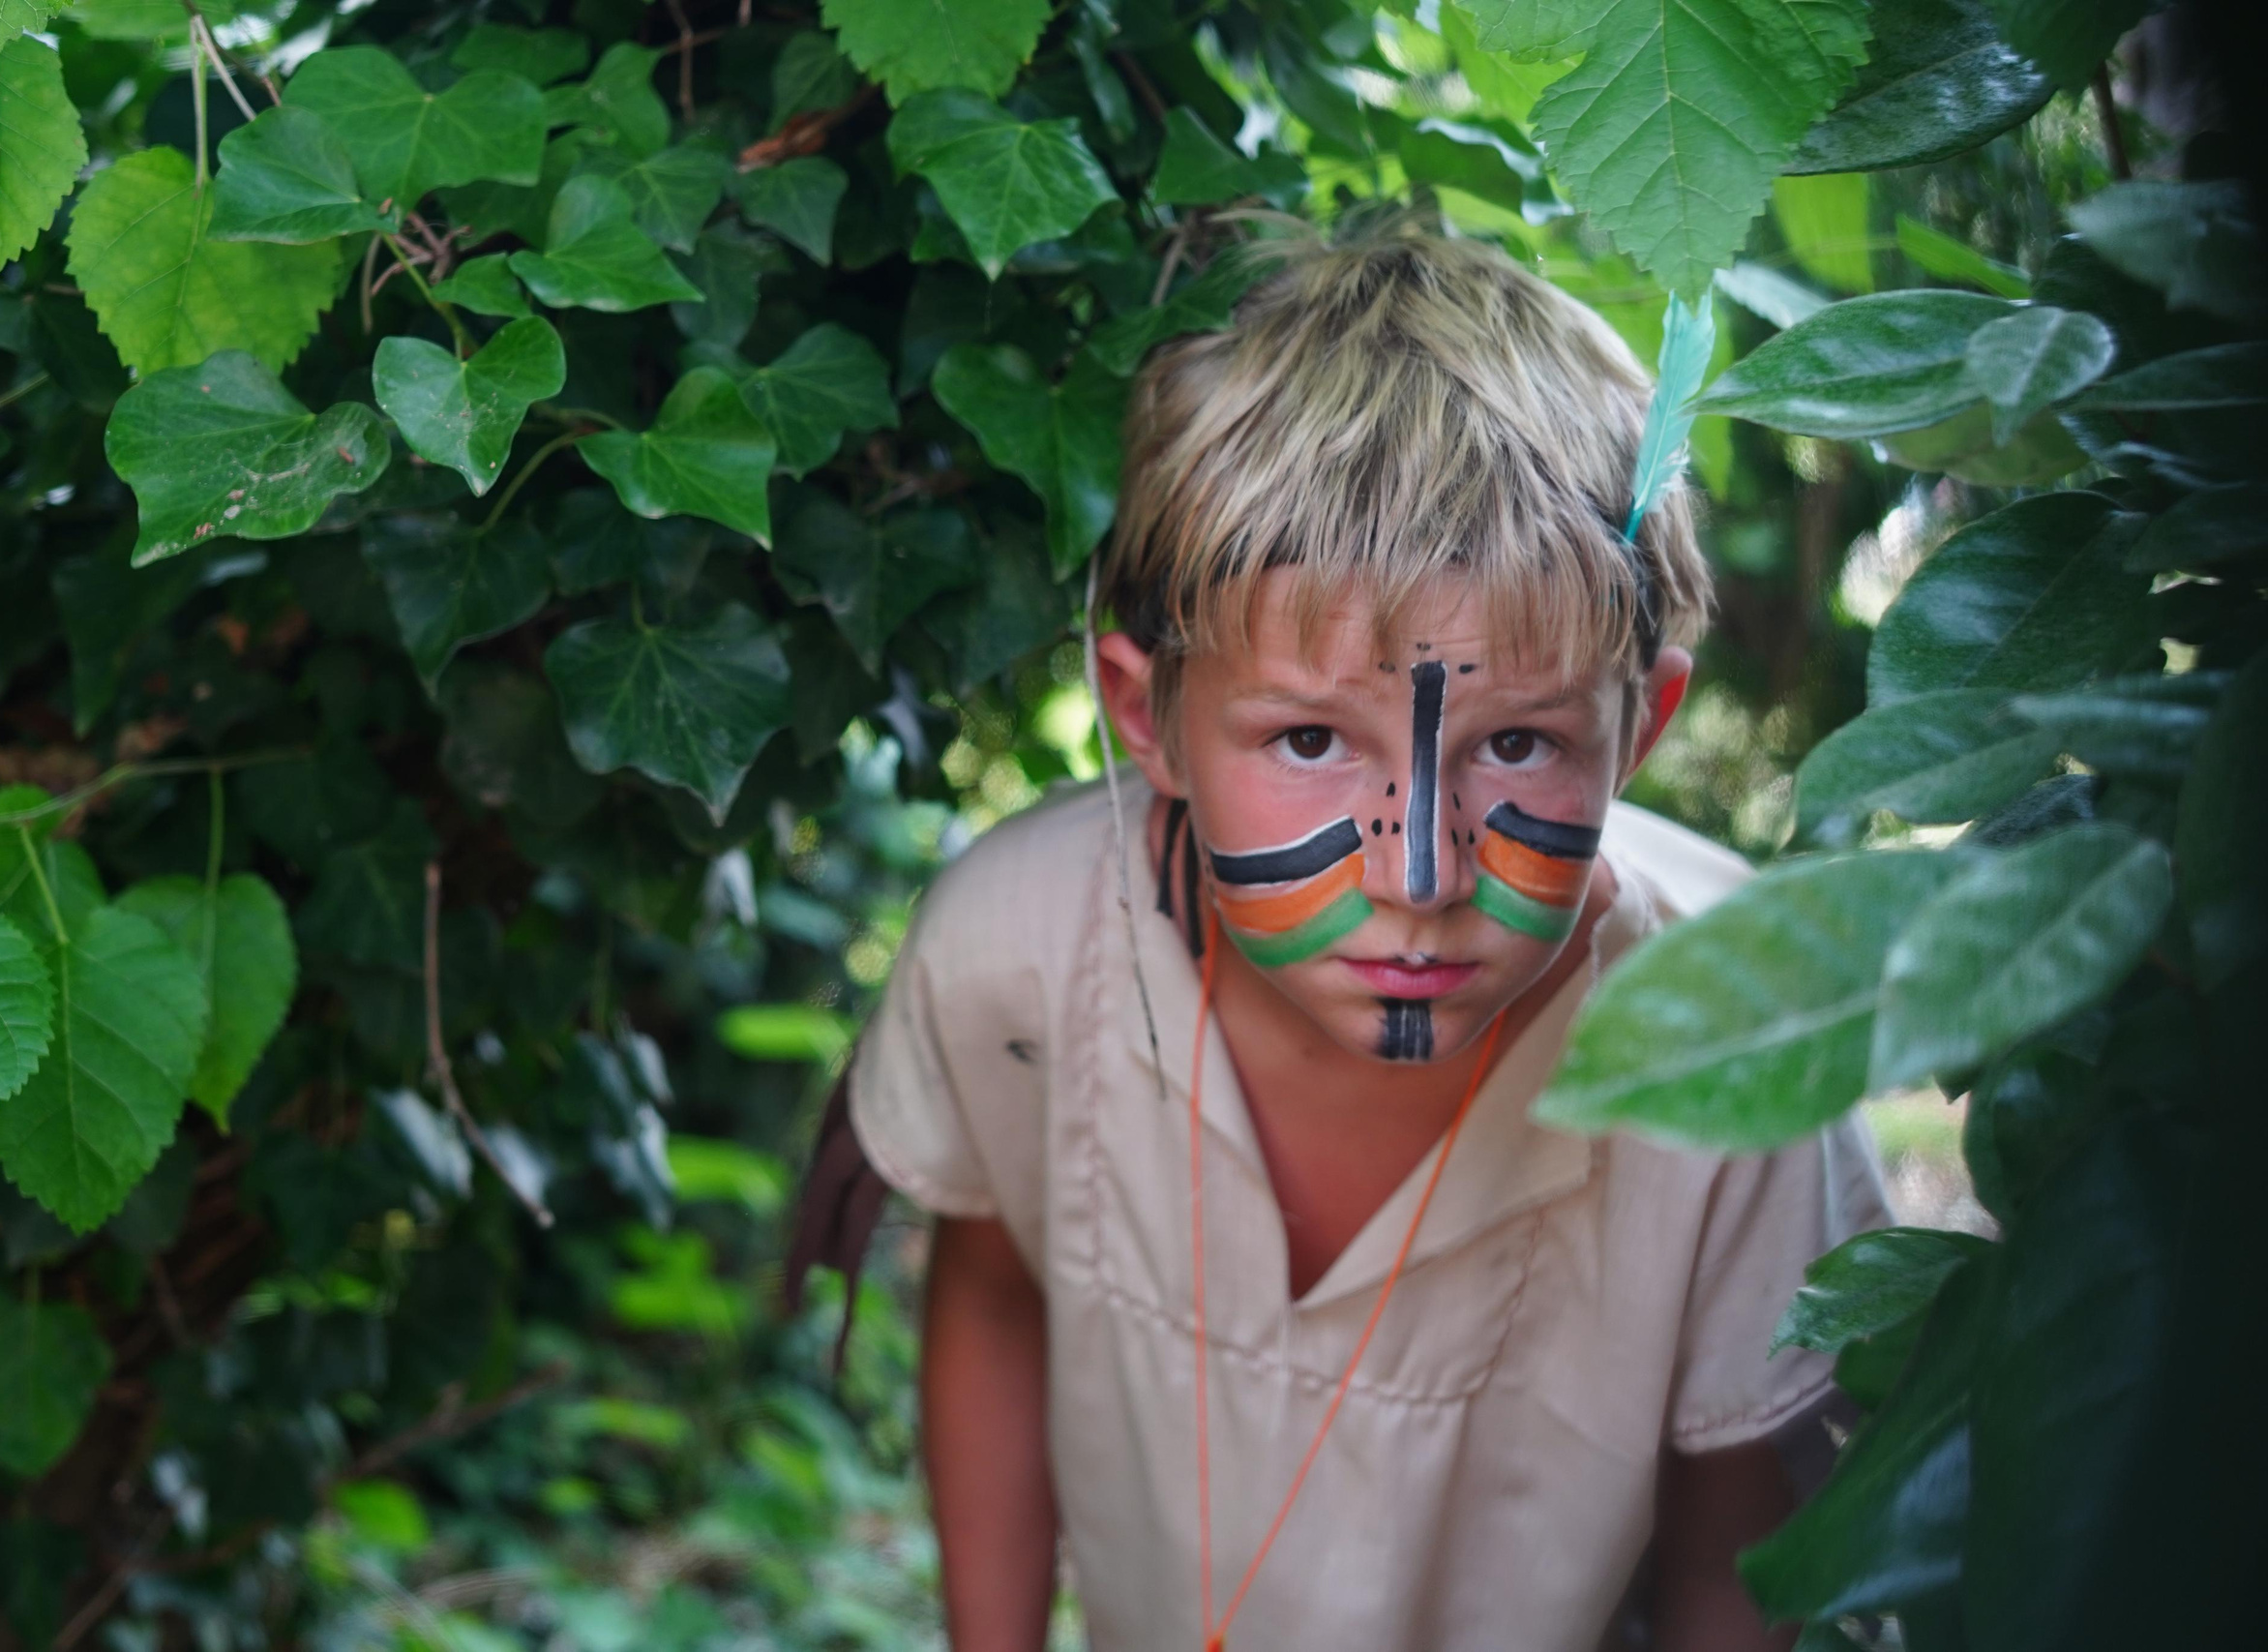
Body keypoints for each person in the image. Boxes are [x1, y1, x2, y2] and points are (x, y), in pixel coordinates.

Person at [799, 224, 1890, 1652]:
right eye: (1310, 735)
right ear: (1149, 718)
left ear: (1643, 731)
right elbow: (995, 1292)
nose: (1422, 871)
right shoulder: (1018, 957)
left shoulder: (1746, 1052)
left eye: (1517, 745)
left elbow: (1735, 1544)